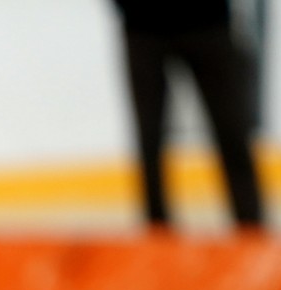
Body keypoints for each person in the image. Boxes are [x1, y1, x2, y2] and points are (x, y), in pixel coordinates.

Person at [112, 0, 265, 228]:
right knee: (149, 139)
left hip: (209, 23)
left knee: (233, 133)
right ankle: (157, 233)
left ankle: (252, 229)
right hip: (142, 27)